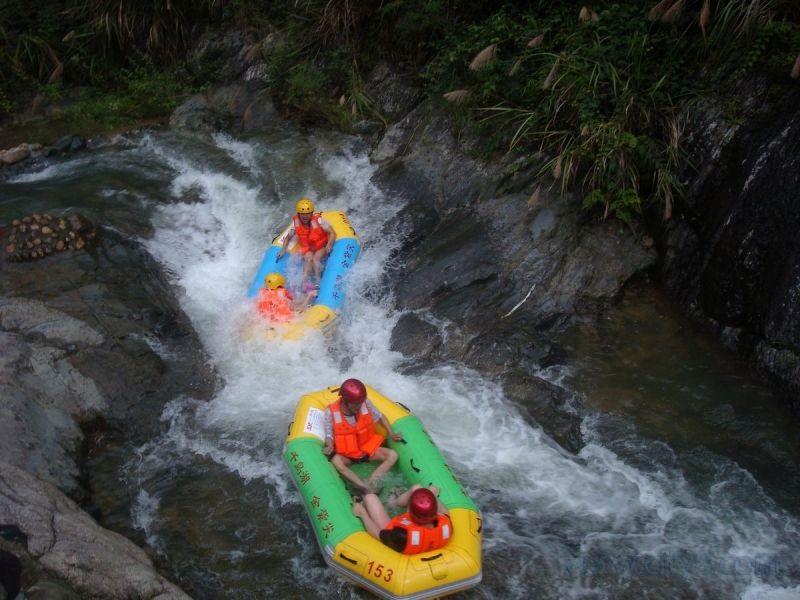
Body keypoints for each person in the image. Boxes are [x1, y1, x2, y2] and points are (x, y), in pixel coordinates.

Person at [323, 378, 403, 494]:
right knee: (336, 461)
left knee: (393, 455)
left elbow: (380, 417)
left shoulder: (365, 404)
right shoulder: (330, 412)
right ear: (345, 401)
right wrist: (329, 446)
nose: (359, 407)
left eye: (360, 403)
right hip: (348, 455)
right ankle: (362, 486)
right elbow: (329, 434)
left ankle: (370, 482)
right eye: (355, 405)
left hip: (367, 449)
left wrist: (391, 433)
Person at [352, 485, 452, 555]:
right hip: (419, 531)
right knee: (417, 488)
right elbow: (444, 511)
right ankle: (394, 502)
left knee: (370, 497)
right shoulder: (446, 524)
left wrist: (362, 514)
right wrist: (430, 493)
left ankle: (393, 501)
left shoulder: (401, 535)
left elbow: (378, 534)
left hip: (395, 533)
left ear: (410, 511)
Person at [277, 198, 336, 282]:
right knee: (308, 259)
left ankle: (318, 281)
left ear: (311, 213)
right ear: (299, 214)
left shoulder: (319, 221)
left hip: (321, 246)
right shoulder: (295, 223)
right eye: (303, 214)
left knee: (316, 258)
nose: (305, 216)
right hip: (308, 248)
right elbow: (288, 238)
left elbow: (332, 232)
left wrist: (329, 244)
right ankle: (304, 283)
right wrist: (283, 250)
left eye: (308, 214)